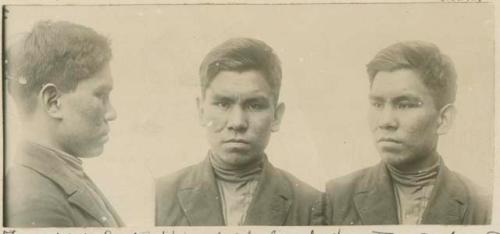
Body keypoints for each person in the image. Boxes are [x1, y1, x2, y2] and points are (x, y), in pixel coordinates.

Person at [155, 38, 323, 226]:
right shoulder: (160, 196)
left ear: (276, 116)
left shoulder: (311, 205)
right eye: (222, 104)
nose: (237, 123)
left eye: (254, 105)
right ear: (201, 111)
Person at [325, 41, 491, 225]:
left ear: (444, 119)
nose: (385, 121)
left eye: (404, 105)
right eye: (377, 104)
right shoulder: (336, 198)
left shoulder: (483, 207)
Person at [4, 20, 123, 227]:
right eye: (100, 95)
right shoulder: (34, 202)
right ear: (53, 102)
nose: (111, 114)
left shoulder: (59, 179)